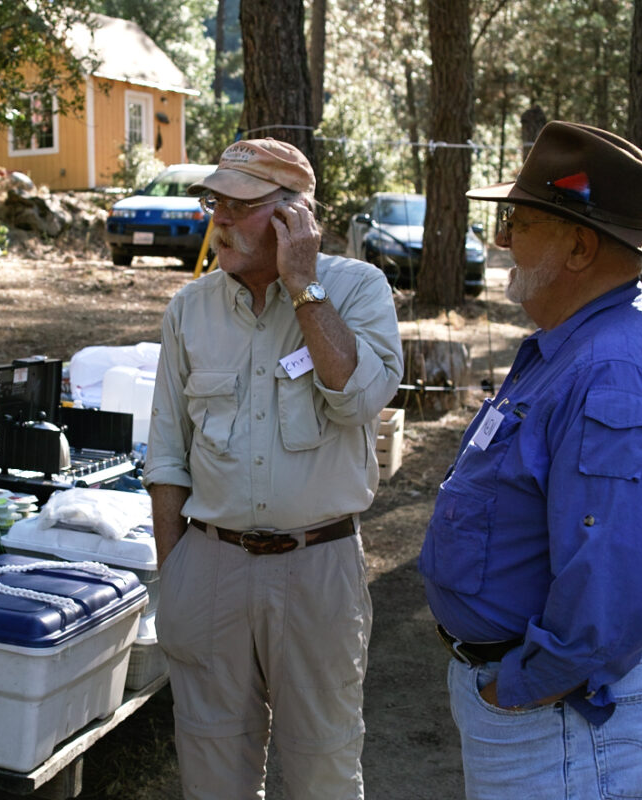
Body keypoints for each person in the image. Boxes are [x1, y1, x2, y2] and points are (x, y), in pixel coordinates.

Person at [418, 121, 642, 799]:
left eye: (519, 222)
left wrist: (519, 687)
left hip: (567, 719)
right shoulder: (588, 343)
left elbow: (612, 577)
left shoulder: (610, 369)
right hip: (558, 718)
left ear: (580, 247)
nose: (503, 240)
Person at [144, 138, 403, 799]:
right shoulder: (190, 308)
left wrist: (303, 287)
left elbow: (357, 399)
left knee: (323, 770)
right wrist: (177, 575)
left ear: (295, 217)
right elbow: (167, 456)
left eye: (241, 205)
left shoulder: (358, 288)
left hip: (317, 568)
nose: (221, 220)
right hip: (210, 567)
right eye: (215, 203)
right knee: (212, 774)